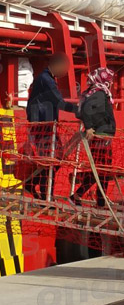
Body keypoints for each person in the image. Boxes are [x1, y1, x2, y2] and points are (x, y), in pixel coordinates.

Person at [25, 53, 78, 199]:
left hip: (47, 127)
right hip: (42, 127)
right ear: (58, 65)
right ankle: (46, 196)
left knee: (57, 159)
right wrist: (79, 110)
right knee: (51, 161)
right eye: (65, 68)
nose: (65, 72)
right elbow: (59, 102)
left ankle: (33, 184)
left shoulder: (47, 79)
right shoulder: (45, 79)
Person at [70, 68, 116, 208]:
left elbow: (81, 111)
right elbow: (84, 110)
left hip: (101, 136)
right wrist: (89, 126)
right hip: (101, 137)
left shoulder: (92, 92)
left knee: (101, 170)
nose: (111, 82)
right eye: (109, 79)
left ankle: (94, 199)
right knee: (102, 170)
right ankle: (84, 197)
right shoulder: (100, 93)